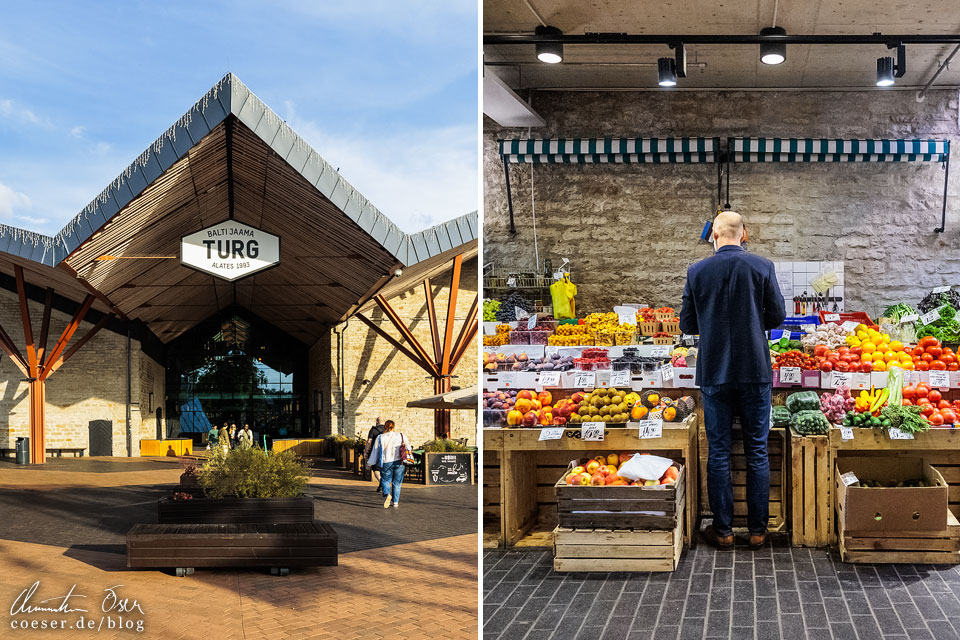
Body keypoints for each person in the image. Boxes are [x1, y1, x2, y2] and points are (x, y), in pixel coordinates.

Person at [679, 211, 785, 551]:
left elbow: (687, 325)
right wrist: (753, 321)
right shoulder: (762, 267)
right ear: (745, 234)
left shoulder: (697, 272)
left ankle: (722, 531)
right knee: (757, 451)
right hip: (755, 371)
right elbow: (778, 316)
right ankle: (757, 531)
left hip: (714, 373)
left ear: (713, 236)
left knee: (719, 453)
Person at [366, 420, 412, 508]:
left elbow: (375, 451)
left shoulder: (380, 437)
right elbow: (408, 447)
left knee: (385, 480)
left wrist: (370, 463)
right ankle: (395, 502)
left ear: (385, 427)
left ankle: (387, 494)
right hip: (399, 462)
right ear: (394, 427)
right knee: (397, 482)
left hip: (386, 462)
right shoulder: (401, 435)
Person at [363, 416, 385, 491]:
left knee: (376, 469)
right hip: (387, 453)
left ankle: (382, 482)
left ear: (376, 421)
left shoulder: (373, 430)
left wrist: (365, 451)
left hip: (375, 452)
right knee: (384, 469)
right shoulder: (387, 429)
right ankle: (381, 485)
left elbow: (369, 442)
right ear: (384, 421)